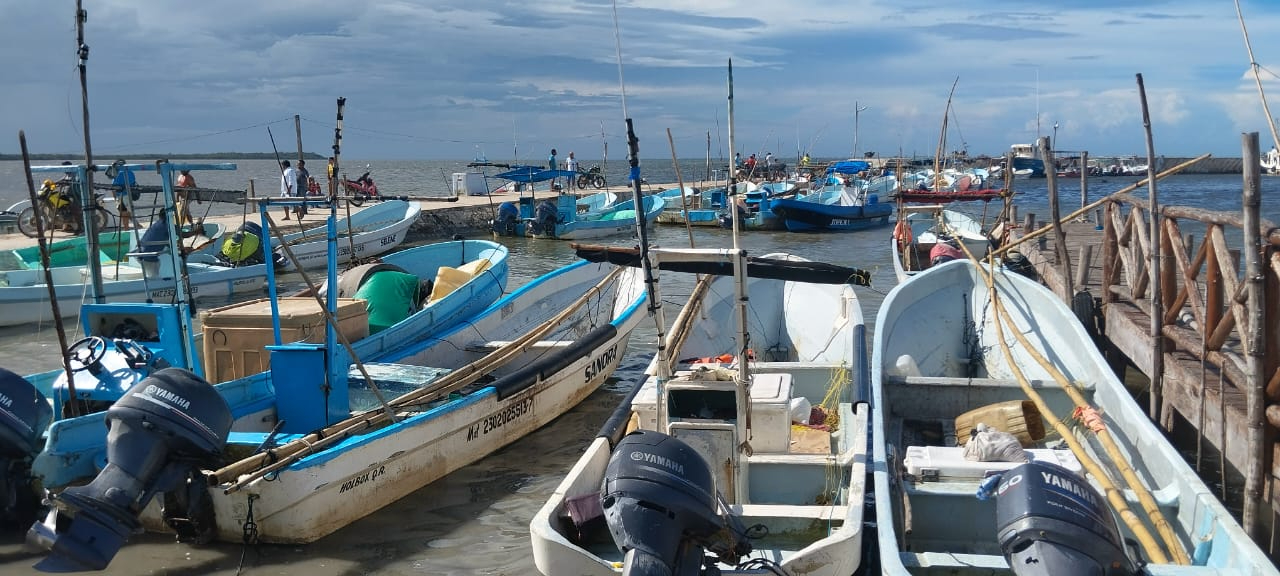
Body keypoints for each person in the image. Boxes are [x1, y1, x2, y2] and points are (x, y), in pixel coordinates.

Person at [112, 160, 137, 229]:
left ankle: (127, 228)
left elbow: (114, 187)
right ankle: (135, 224)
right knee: (128, 211)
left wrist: (115, 199)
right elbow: (134, 183)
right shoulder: (131, 172)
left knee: (124, 213)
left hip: (121, 196)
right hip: (129, 194)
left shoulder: (117, 174)